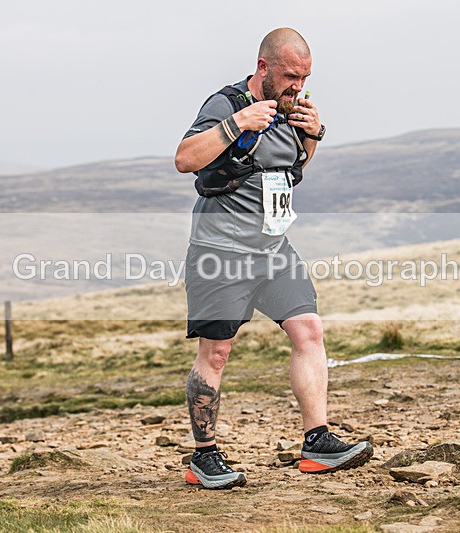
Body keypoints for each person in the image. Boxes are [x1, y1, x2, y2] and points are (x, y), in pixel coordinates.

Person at [174, 27, 373, 490]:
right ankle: (203, 458)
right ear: (263, 67)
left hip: (273, 248)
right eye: (289, 76)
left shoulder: (291, 108)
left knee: (309, 329)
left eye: (303, 78)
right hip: (220, 252)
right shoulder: (224, 104)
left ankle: (317, 442)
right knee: (217, 352)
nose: (296, 87)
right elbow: (185, 159)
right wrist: (238, 124)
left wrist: (313, 134)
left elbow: (293, 170)